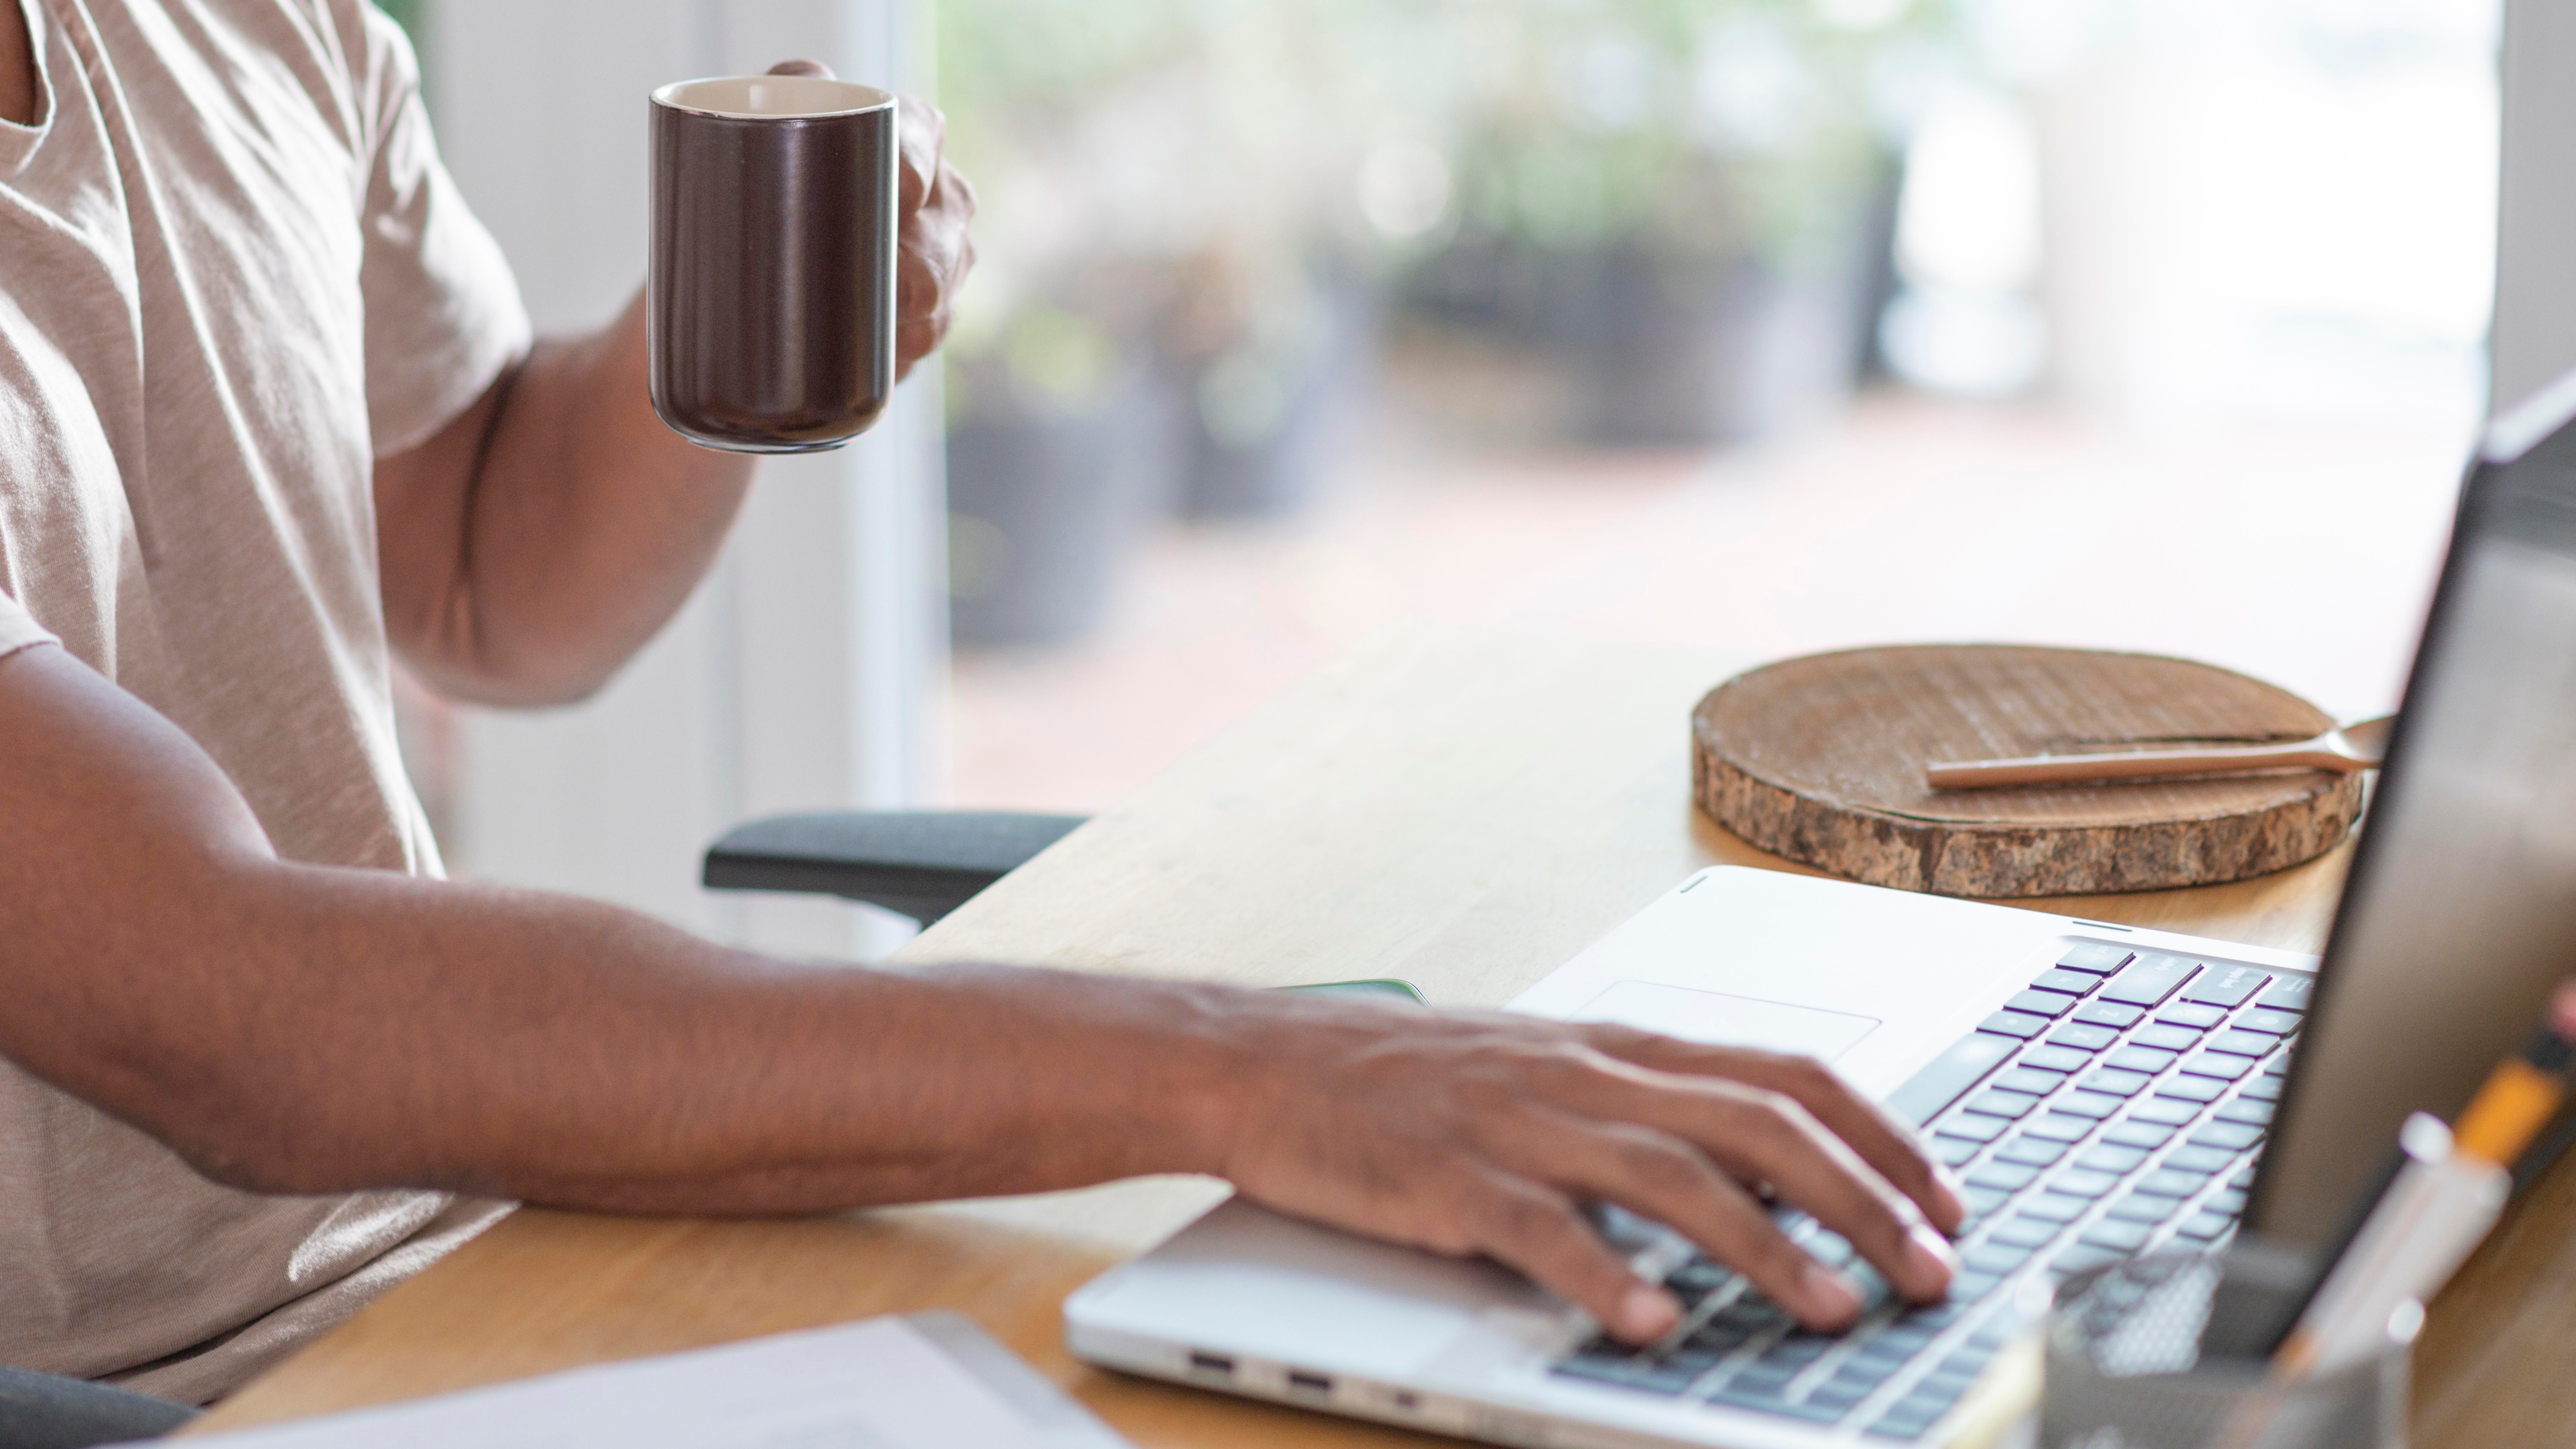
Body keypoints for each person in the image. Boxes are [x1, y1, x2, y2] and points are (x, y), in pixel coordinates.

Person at [0, 0, 1965, 1438]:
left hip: (491, 1258)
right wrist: (1239, 1071)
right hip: (167, 1391)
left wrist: (725, 317)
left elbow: (485, 570)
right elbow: (235, 1012)